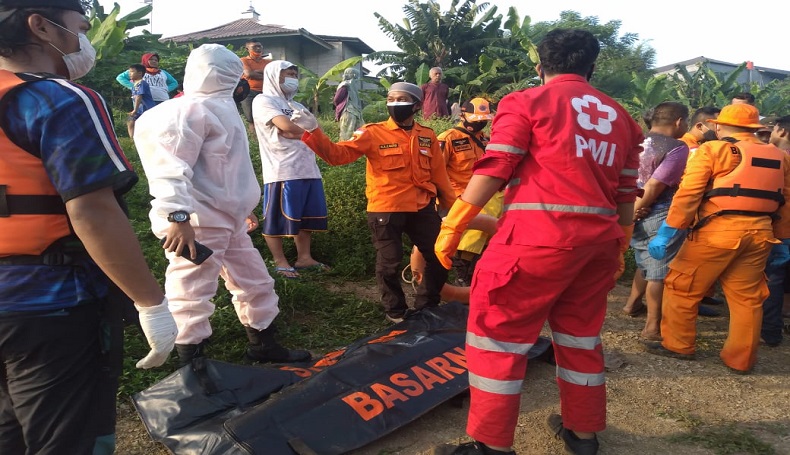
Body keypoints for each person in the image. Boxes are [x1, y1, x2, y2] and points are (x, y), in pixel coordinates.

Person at [431, 29, 643, 455]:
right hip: (597, 247)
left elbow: (497, 166)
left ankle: (491, 445)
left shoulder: (526, 102)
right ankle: (583, 435)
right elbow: (625, 193)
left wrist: (454, 224)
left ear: (539, 67)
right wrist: (620, 246)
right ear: (592, 67)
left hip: (536, 243)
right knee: (581, 338)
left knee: (497, 340)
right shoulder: (621, 118)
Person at [0, 1, 177, 453]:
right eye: (80, 28)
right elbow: (93, 211)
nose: (85, 40)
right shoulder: (59, 98)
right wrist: (151, 303)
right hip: (53, 308)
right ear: (40, 26)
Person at [133, 44, 310, 366]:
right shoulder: (186, 112)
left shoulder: (220, 107)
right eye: (233, 73)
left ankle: (263, 345)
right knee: (191, 293)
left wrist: (243, 207)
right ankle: (190, 363)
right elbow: (169, 168)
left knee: (255, 282)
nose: (238, 80)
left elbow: (228, 169)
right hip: (198, 223)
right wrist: (178, 216)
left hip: (229, 220)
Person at [290, 82, 457, 322]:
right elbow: (337, 156)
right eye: (391, 98)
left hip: (422, 207)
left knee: (440, 256)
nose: (395, 104)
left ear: (417, 105)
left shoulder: (427, 135)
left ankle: (427, 305)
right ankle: (395, 311)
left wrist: (449, 207)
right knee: (390, 262)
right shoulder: (372, 132)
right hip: (386, 209)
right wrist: (314, 131)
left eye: (401, 99)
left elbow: (439, 175)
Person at [645, 104, 790, 375]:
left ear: (719, 126)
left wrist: (668, 231)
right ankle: (741, 359)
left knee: (682, 287)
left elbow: (688, 195)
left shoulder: (714, 150)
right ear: (755, 129)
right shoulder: (779, 155)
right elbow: (786, 201)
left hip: (716, 233)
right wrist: (784, 241)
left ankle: (678, 345)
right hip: (761, 235)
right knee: (747, 298)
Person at [253, 60, 328, 279]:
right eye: (287, 74)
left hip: (308, 168)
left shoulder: (298, 106)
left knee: (307, 218)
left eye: (295, 74)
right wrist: (306, 131)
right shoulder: (263, 100)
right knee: (276, 216)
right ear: (274, 76)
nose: (293, 78)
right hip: (282, 169)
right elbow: (285, 126)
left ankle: (304, 258)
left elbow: (318, 131)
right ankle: (280, 261)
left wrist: (301, 131)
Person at [621, 102, 689, 341]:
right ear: (679, 121)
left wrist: (627, 212)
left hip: (629, 207)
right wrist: (635, 211)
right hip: (655, 212)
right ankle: (652, 327)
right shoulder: (677, 147)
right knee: (659, 272)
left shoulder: (635, 141)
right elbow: (655, 185)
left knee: (645, 261)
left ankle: (631, 305)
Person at [436, 97, 500, 285]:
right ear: (463, 115)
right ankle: (461, 272)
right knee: (469, 233)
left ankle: (474, 273)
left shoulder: (486, 140)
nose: (479, 122)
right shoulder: (448, 138)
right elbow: (435, 171)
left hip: (484, 198)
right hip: (457, 199)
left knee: (489, 232)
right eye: (475, 118)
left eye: (483, 119)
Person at [761, 115, 790, 347]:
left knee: (772, 277)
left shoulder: (776, 157)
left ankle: (769, 330)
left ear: (780, 130)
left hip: (779, 228)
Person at [240, 40, 271, 134]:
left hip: (266, 92)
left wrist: (255, 72)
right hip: (249, 92)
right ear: (247, 49)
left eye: (260, 46)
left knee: (267, 118)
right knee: (251, 119)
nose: (258, 49)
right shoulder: (243, 60)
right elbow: (248, 74)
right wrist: (264, 73)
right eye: (254, 47)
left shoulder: (267, 62)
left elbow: (273, 75)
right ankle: (254, 142)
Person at [333, 67, 364, 140]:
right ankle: (344, 150)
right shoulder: (345, 85)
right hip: (348, 111)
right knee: (346, 135)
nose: (357, 77)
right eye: (356, 75)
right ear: (353, 75)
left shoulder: (353, 85)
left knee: (360, 132)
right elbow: (337, 99)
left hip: (356, 112)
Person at [125, 63, 154, 137]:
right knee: (130, 121)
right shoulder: (134, 84)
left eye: (132, 71)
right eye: (129, 72)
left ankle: (133, 139)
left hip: (146, 108)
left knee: (142, 125)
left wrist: (135, 110)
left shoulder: (141, 83)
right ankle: (132, 139)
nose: (130, 74)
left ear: (140, 73)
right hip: (140, 109)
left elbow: (139, 96)